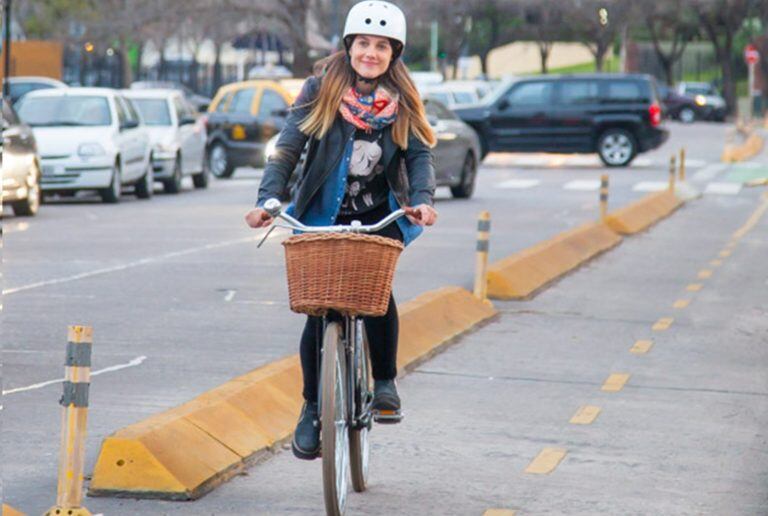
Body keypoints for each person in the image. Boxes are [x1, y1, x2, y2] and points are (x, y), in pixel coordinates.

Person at [244, 0, 437, 460]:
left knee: (375, 293)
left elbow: (419, 156)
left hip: (379, 213)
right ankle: (312, 408)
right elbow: (287, 148)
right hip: (320, 214)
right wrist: (266, 201)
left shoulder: (404, 98)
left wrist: (423, 201)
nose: (371, 53)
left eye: (382, 46)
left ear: (395, 53)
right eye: (363, 43)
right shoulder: (319, 88)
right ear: (349, 45)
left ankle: (385, 382)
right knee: (320, 310)